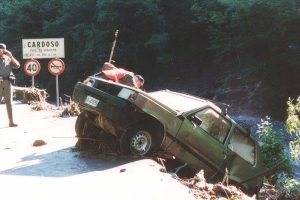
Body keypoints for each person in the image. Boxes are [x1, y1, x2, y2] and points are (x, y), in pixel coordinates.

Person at [0, 43, 20, 127]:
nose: (1, 51)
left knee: (9, 103)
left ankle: (11, 122)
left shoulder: (8, 58)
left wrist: (11, 57)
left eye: (2, 50)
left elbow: (17, 66)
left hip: (7, 82)